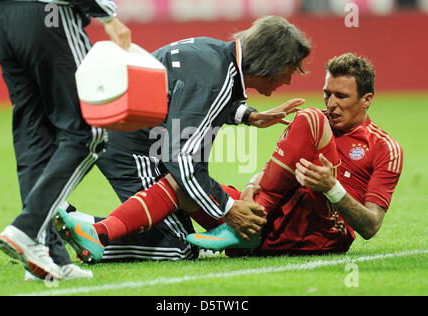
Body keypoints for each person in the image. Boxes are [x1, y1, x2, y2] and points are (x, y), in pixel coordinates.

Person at [53, 15, 312, 264]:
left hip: (125, 130)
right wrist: (228, 209)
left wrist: (249, 116)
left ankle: (79, 224)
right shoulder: (213, 79)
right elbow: (182, 158)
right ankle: (88, 233)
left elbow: (188, 102)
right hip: (133, 144)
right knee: (178, 247)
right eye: (288, 70)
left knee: (170, 218)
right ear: (270, 62)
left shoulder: (215, 55)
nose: (288, 80)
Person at [187, 53, 404, 256]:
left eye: (341, 96)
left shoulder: (384, 148)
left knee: (309, 117)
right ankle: (185, 243)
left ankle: (246, 229)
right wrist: (255, 182)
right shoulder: (316, 123)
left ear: (366, 99)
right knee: (183, 183)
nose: (331, 104)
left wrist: (332, 188)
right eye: (327, 94)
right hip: (276, 219)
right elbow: (276, 167)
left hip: (322, 231)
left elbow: (371, 226)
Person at [0, 0, 131, 280]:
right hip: (49, 13)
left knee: (34, 139)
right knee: (89, 133)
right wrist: (109, 16)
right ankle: (27, 228)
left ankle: (49, 257)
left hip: (0, 19)